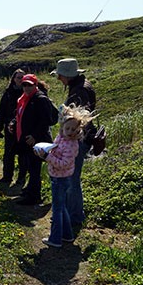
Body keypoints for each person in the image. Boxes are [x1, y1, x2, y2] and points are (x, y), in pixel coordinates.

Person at [35, 104, 94, 248]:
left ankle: (55, 238)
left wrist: (47, 157)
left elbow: (63, 163)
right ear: (62, 127)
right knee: (62, 208)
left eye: (73, 129)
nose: (69, 132)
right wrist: (46, 150)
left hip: (61, 178)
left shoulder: (72, 145)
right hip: (57, 177)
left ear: (78, 130)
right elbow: (56, 150)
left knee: (57, 209)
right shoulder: (60, 138)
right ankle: (67, 235)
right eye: (67, 128)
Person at [50, 58, 96, 225]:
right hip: (81, 139)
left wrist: (68, 134)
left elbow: (79, 120)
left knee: (71, 179)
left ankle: (74, 217)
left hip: (77, 141)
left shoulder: (78, 91)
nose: (58, 79)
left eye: (60, 75)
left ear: (66, 75)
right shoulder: (82, 86)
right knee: (72, 178)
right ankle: (72, 214)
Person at [12, 74, 58, 205]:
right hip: (26, 139)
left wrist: (35, 136)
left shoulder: (40, 99)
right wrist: (14, 124)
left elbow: (46, 121)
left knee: (34, 168)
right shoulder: (24, 99)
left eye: (29, 85)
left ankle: (34, 196)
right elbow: (20, 116)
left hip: (36, 141)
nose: (26, 88)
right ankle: (30, 192)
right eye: (24, 85)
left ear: (35, 85)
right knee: (29, 166)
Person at [0, 69, 27, 185]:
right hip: (9, 128)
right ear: (13, 79)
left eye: (22, 77)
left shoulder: (27, 92)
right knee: (8, 153)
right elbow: (1, 110)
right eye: (18, 77)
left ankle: (21, 179)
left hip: (23, 127)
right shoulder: (8, 92)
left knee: (23, 155)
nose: (20, 80)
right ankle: (7, 177)